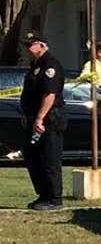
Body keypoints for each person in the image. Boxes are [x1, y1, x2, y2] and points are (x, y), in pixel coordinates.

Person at [20, 32, 65, 211]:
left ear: (41, 45)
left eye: (30, 45)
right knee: (33, 157)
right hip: (34, 117)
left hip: (49, 118)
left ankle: (54, 198)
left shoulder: (50, 65)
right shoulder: (35, 65)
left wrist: (39, 118)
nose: (27, 49)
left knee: (49, 158)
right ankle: (43, 195)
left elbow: (49, 95)